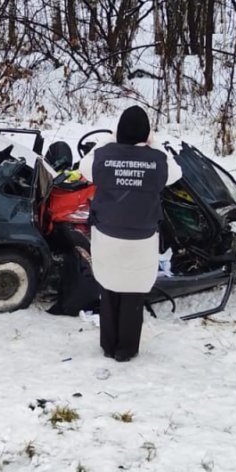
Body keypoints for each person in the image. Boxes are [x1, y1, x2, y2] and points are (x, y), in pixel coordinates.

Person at [79, 105, 181, 362]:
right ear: (146, 134)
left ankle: (107, 344)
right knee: (134, 290)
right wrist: (154, 144)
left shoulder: (102, 157)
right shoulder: (157, 161)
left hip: (107, 235)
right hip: (142, 239)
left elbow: (84, 165)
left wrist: (110, 138)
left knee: (110, 287)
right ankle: (126, 349)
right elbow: (177, 172)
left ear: (119, 131)